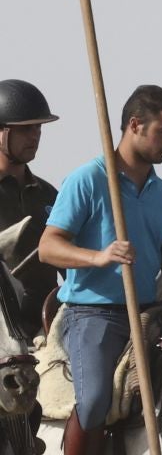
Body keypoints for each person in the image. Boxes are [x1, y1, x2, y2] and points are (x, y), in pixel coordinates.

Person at [38, 85, 162, 455]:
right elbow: (49, 247)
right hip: (93, 315)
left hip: (147, 312)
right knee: (95, 401)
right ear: (134, 127)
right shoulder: (88, 180)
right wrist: (99, 256)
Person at [0, 79, 62, 318]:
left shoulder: (49, 195)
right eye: (26, 129)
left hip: (46, 322)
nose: (35, 136)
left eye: (38, 128)